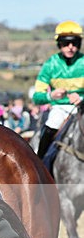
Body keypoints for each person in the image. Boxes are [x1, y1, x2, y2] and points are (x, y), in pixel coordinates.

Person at [33, 21, 84, 159]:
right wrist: (51, 96)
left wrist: (81, 99)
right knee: (52, 123)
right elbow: (37, 97)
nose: (71, 47)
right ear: (59, 44)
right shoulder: (50, 64)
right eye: (66, 43)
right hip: (59, 109)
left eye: (74, 43)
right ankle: (41, 162)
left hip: (82, 108)